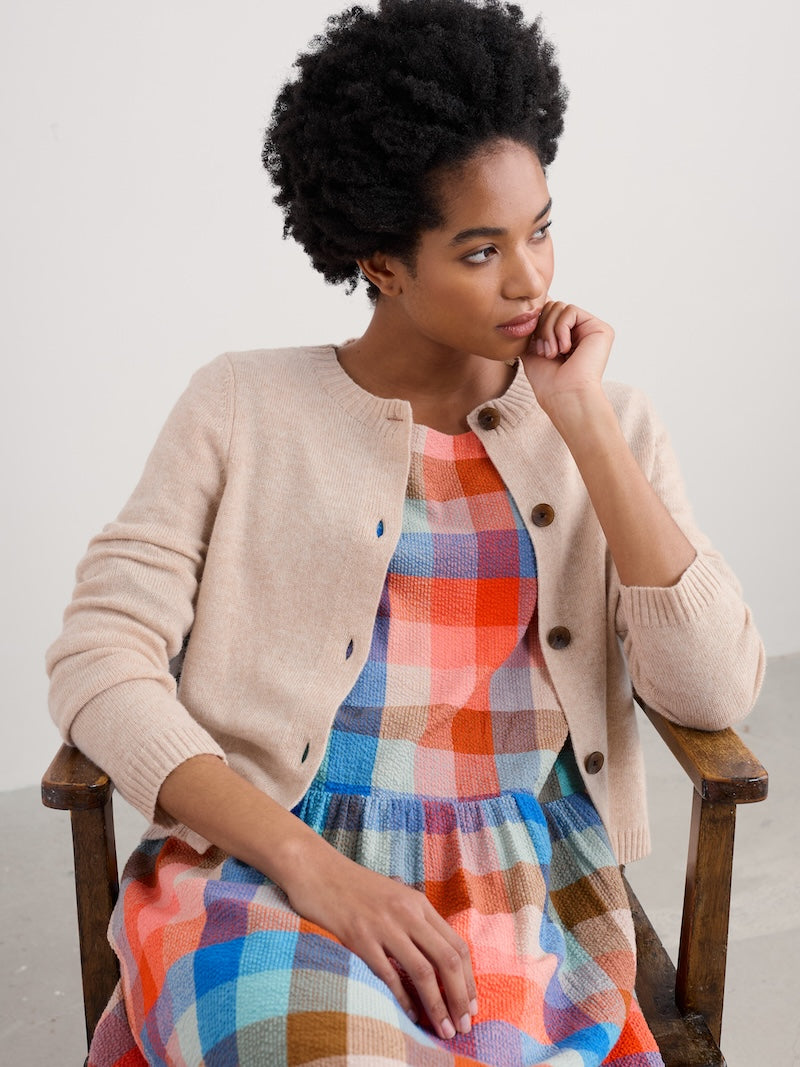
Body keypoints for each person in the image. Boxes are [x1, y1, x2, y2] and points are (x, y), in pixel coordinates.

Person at [47, 1, 765, 1064]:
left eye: (540, 228)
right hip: (264, 864)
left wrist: (583, 425)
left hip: (517, 888)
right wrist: (310, 865)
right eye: (480, 250)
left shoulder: (607, 419)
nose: (530, 278)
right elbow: (97, 658)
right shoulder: (244, 403)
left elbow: (711, 693)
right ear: (380, 261)